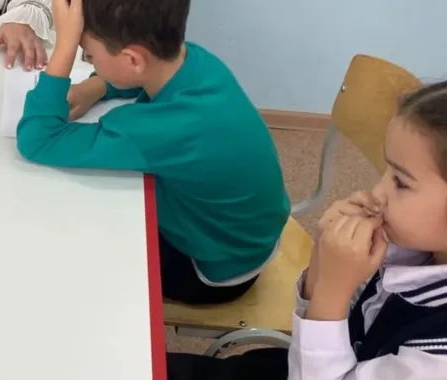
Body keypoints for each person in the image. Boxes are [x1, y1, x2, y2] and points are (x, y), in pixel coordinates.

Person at [16, 0, 290, 304]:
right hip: (246, 239)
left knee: (73, 240)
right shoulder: (195, 60)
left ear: (132, 59)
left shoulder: (153, 130)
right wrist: (97, 86)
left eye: (89, 54)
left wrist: (64, 46)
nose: (87, 60)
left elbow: (38, 139)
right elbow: (140, 76)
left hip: (212, 272)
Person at [167, 81, 447, 380]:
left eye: (401, 182)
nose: (378, 191)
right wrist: (324, 263)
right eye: (385, 171)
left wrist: (333, 288)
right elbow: (340, 321)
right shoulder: (412, 249)